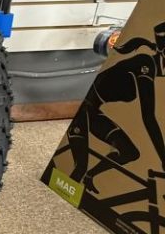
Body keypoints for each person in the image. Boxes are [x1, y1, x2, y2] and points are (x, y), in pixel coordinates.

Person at [67, 22, 165, 194]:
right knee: (78, 169)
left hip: (93, 112)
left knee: (130, 153)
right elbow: (148, 117)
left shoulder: (149, 67)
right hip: (84, 112)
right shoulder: (145, 64)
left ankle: (90, 176)